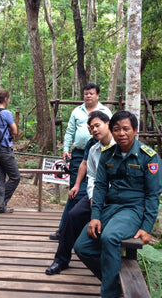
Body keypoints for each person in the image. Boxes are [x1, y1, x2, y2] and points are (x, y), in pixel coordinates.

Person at [73, 111, 162, 298]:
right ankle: (113, 282)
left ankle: (109, 294)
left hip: (132, 209)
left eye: (126, 129)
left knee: (110, 237)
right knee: (82, 247)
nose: (121, 133)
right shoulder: (107, 155)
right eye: (116, 129)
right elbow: (99, 186)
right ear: (111, 132)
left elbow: (154, 195)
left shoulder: (148, 157)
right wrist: (95, 216)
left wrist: (147, 227)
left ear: (135, 130)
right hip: (110, 207)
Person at [45, 110, 112, 275]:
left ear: (108, 124)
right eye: (91, 128)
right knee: (73, 215)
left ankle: (108, 266)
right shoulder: (93, 147)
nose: (94, 130)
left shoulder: (120, 145)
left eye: (97, 125)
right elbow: (91, 175)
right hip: (96, 194)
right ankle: (61, 260)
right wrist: (90, 196)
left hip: (114, 198)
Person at [55, 83, 113, 239]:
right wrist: (66, 148)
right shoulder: (76, 111)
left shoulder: (105, 112)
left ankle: (86, 229)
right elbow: (69, 132)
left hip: (102, 154)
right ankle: (64, 229)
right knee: (76, 191)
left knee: (97, 191)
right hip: (80, 154)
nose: (88, 96)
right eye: (86, 93)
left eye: (91, 93)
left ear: (97, 95)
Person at [0, 89, 20, 214]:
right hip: (4, 149)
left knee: (0, 176)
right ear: (6, 99)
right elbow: (15, 131)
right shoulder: (6, 113)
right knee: (15, 177)